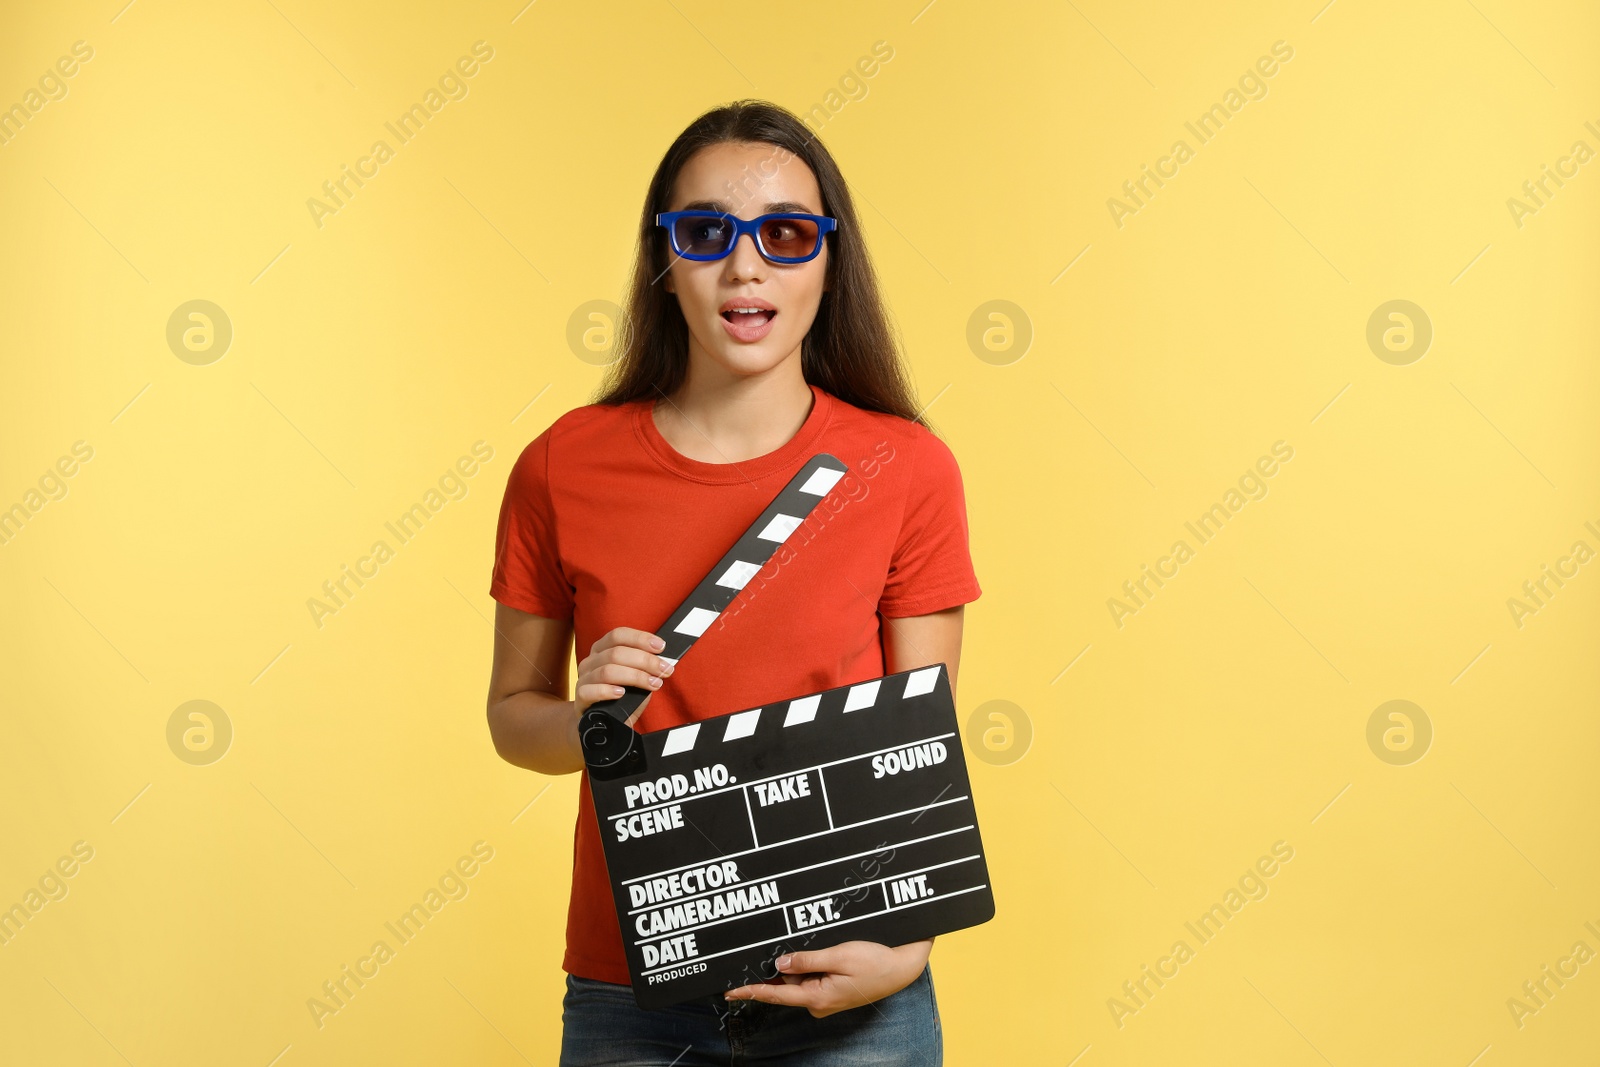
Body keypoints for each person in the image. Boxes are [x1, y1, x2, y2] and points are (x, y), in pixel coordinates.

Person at [485, 98, 982, 1066]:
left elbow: (924, 743)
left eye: (787, 234)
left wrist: (905, 945)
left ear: (829, 262)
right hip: (632, 981)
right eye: (706, 231)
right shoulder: (562, 465)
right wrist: (590, 723)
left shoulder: (906, 468)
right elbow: (514, 717)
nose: (746, 265)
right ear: (663, 258)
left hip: (850, 973)